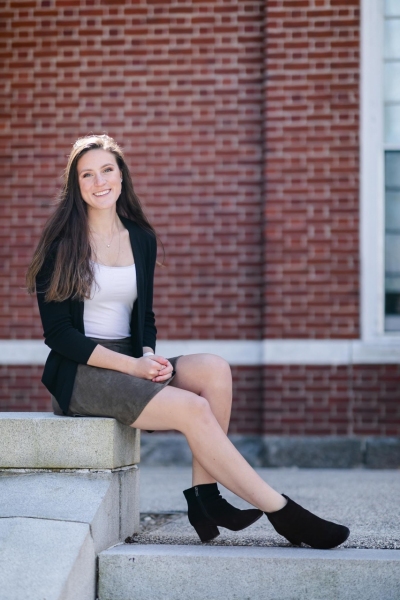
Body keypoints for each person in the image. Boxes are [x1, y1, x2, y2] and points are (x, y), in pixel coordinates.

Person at [26, 134, 350, 549]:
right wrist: (131, 367)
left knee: (214, 369)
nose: (99, 181)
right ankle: (284, 513)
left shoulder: (140, 237)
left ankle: (205, 497)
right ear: (77, 186)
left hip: (131, 359)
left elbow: (144, 317)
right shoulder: (61, 245)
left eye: (107, 169)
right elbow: (59, 336)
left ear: (121, 176)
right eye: (87, 174)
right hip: (81, 374)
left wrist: (146, 354)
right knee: (194, 409)